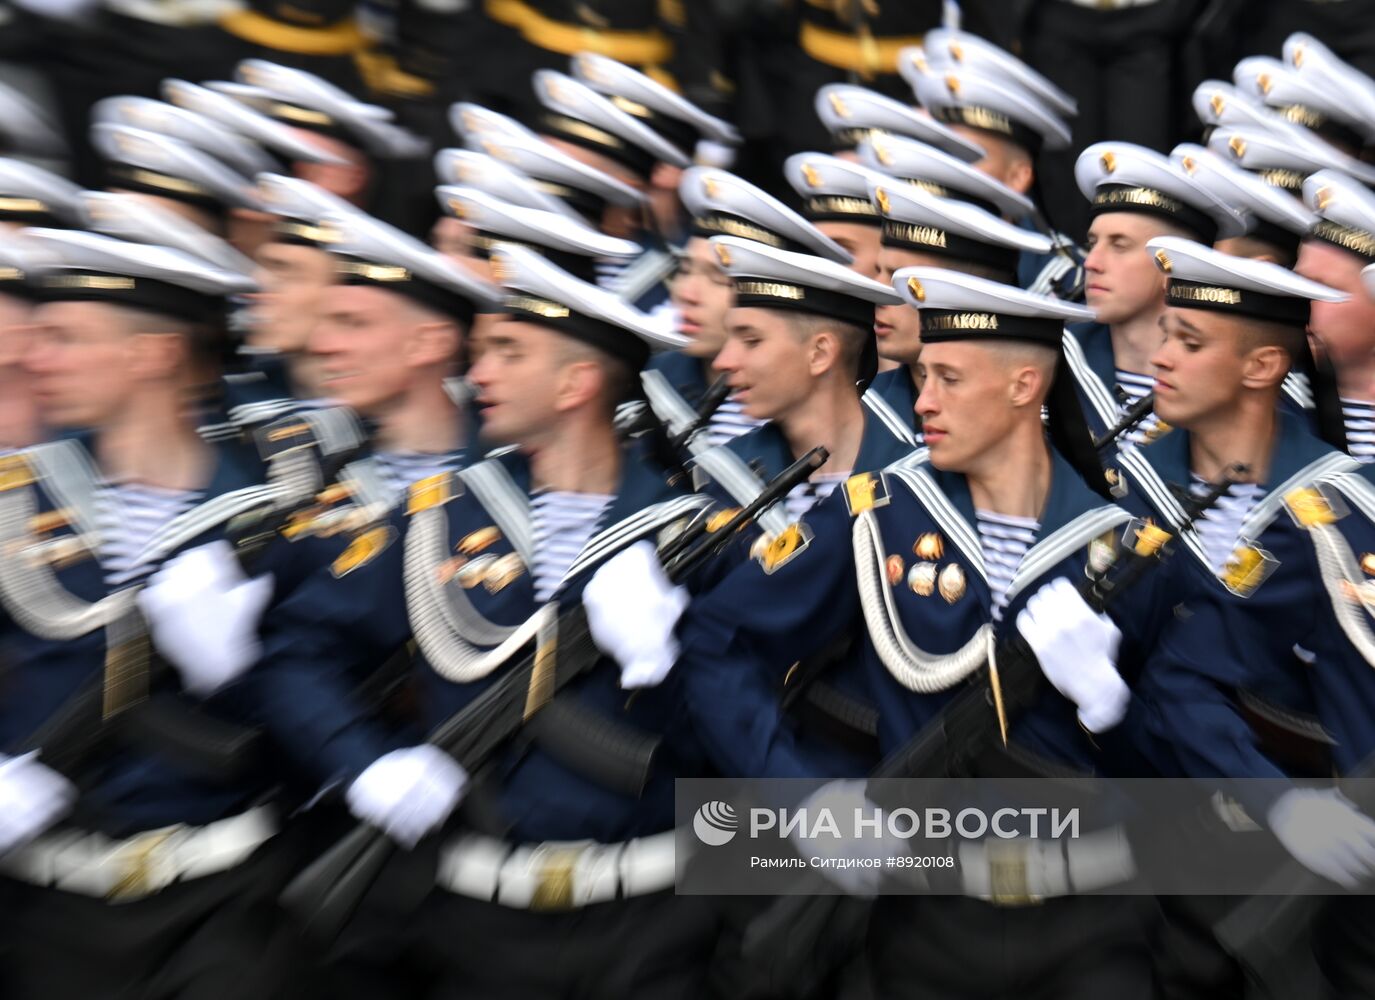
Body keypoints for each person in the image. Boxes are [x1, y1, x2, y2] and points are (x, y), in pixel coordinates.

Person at [679, 267, 1163, 998]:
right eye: (922, 376)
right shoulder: (877, 513)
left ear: (1024, 386)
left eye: (948, 379)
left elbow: (1186, 744)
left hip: (1090, 921)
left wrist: (1112, 708)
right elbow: (717, 643)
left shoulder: (1119, 549)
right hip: (919, 918)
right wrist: (803, 797)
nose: (922, 401)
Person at [254, 242, 716, 998]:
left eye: (507, 352)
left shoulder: (689, 531)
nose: (478, 376)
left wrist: (667, 662)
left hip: (655, 921)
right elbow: (297, 651)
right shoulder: (436, 518)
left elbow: (746, 732)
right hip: (475, 922)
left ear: (575, 382)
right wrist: (366, 762)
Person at [0, 228, 302, 1000]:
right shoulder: (16, 498)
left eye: (67, 338)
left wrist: (248, 672)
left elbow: (362, 713)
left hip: (220, 901)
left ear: (152, 354)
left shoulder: (272, 516)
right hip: (45, 907)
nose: (39, 357)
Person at [1109, 237, 1375, 1000]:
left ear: (1261, 367)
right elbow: (1186, 674)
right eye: (1169, 335)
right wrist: (1283, 804)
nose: (1160, 356)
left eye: (1187, 342)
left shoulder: (1335, 500)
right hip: (1182, 832)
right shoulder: (1322, 517)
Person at [1068, 141, 1242, 443]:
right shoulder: (1055, 366)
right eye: (1092, 242)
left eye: (1119, 245)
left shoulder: (1225, 389)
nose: (1092, 262)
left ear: (1172, 267)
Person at [865, 171, 1052, 439]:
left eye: (903, 279)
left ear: (961, 294)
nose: (879, 294)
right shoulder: (862, 414)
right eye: (879, 271)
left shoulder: (1038, 425)